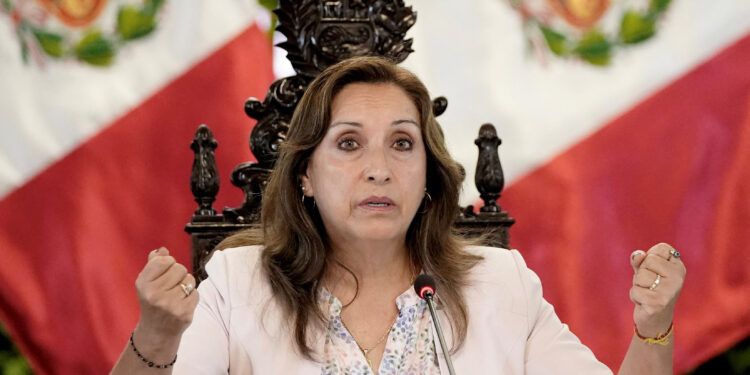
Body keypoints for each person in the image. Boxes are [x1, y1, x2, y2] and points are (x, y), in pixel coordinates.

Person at [110, 56, 686, 374]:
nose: (379, 169)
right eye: (349, 144)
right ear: (305, 175)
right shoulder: (238, 282)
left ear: (430, 176)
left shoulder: (500, 282)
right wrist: (156, 339)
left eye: (403, 144)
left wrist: (653, 326)